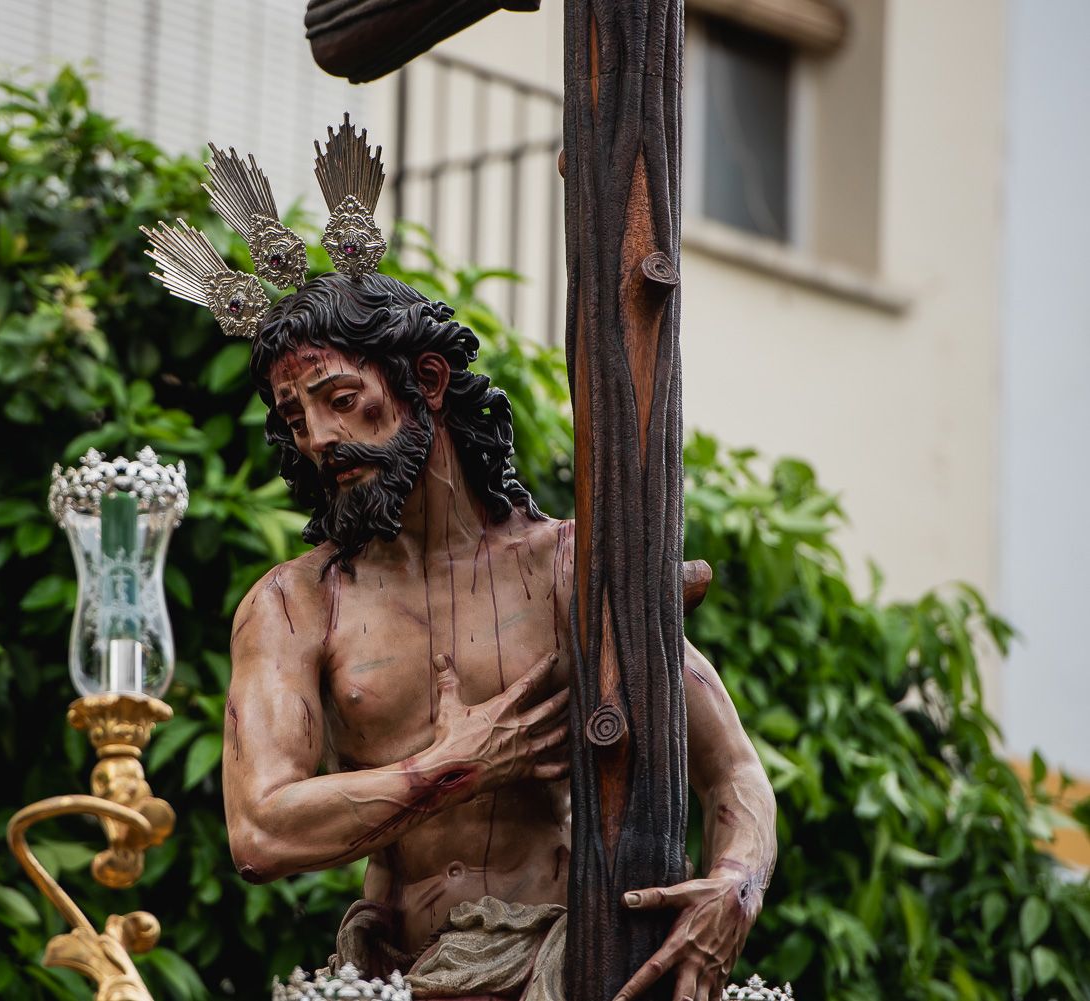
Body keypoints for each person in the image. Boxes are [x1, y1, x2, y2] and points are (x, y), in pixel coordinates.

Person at [221, 272, 776, 1001]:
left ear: (428, 380)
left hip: (565, 963)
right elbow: (260, 832)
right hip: (398, 973)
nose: (320, 438)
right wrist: (456, 767)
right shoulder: (295, 605)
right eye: (296, 418)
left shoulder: (568, 568)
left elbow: (732, 770)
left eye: (342, 400)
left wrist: (734, 888)